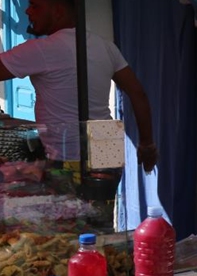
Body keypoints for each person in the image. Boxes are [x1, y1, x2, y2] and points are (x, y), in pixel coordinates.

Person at [0, 0, 157, 171]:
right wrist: (147, 144)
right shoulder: (106, 46)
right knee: (101, 197)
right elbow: (138, 93)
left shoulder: (41, 49)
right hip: (107, 147)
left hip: (68, 152)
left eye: (35, 6)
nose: (27, 11)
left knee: (68, 197)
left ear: (58, 11)